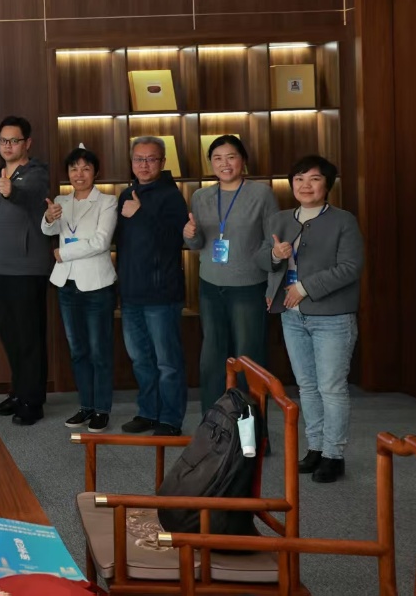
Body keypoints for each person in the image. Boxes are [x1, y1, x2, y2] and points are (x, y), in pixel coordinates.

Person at [257, 155, 363, 483]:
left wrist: (304, 287)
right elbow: (262, 260)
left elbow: (350, 267)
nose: (306, 185)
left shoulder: (343, 220)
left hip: (332, 316)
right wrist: (274, 255)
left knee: (331, 387)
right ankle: (315, 447)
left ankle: (334, 454)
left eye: (314, 179)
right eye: (299, 179)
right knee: (306, 386)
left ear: (327, 185)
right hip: (292, 316)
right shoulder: (279, 219)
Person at [184, 136, 278, 413]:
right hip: (210, 286)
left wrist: (273, 288)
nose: (224, 163)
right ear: (211, 163)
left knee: (249, 356)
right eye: (217, 158)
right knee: (212, 357)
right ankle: (213, 423)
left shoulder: (261, 194)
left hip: (249, 286)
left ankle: (252, 426)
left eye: (231, 157)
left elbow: (272, 242)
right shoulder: (200, 196)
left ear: (243, 160)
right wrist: (189, 235)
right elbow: (197, 243)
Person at [0, 116, 54, 426]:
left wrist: (12, 191)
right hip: (1, 269)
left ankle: (32, 402)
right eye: (3, 140)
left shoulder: (36, 174)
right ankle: (19, 392)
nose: (7, 146)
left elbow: (33, 198)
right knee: (10, 335)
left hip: (27, 269)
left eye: (14, 140)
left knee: (29, 337)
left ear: (27, 143)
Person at [115, 137, 190, 436]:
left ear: (162, 162)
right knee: (141, 360)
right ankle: (148, 412)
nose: (144, 165)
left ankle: (170, 419)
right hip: (131, 293)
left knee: (167, 362)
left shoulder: (172, 196)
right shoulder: (126, 194)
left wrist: (142, 213)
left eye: (151, 159)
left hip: (162, 295)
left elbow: (175, 240)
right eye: (138, 159)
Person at [41, 147, 118, 434]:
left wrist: (64, 253)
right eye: (74, 169)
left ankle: (102, 409)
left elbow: (101, 242)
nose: (79, 174)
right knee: (78, 351)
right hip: (67, 284)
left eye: (86, 168)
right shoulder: (62, 200)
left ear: (96, 172)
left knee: (99, 351)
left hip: (97, 286)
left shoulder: (107, 201)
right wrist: (49, 218)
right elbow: (49, 231)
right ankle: (86, 406)